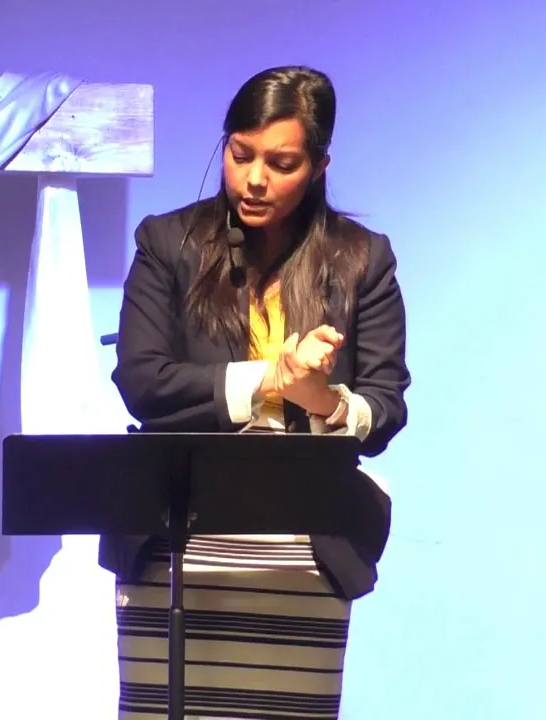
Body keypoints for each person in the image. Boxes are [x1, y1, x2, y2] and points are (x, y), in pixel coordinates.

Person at [101, 65, 411, 720]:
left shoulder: (363, 258)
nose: (254, 179)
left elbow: (385, 407)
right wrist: (269, 378)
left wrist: (322, 399)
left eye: (281, 163)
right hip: (174, 546)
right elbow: (143, 382)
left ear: (319, 166)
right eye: (240, 155)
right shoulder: (167, 243)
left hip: (302, 554)